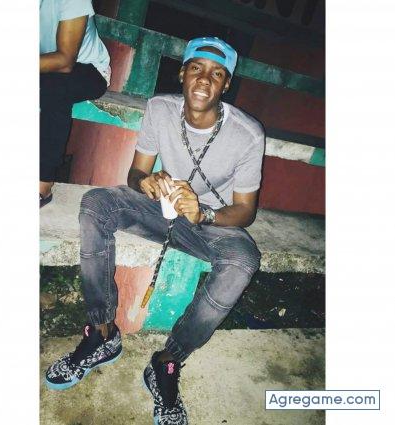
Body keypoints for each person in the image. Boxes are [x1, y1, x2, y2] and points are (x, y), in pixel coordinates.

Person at [45, 37, 265, 425]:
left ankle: (167, 361)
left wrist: (204, 214)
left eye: (217, 74)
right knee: (96, 203)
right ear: (182, 73)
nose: (204, 80)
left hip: (210, 222)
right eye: (196, 68)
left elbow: (245, 211)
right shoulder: (160, 108)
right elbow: (136, 173)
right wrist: (146, 182)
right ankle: (102, 333)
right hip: (161, 210)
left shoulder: (247, 134)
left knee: (243, 260)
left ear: (226, 84)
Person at [40, 0, 110, 207]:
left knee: (54, 87)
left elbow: (64, 61)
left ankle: (43, 180)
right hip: (43, 68)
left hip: (87, 68)